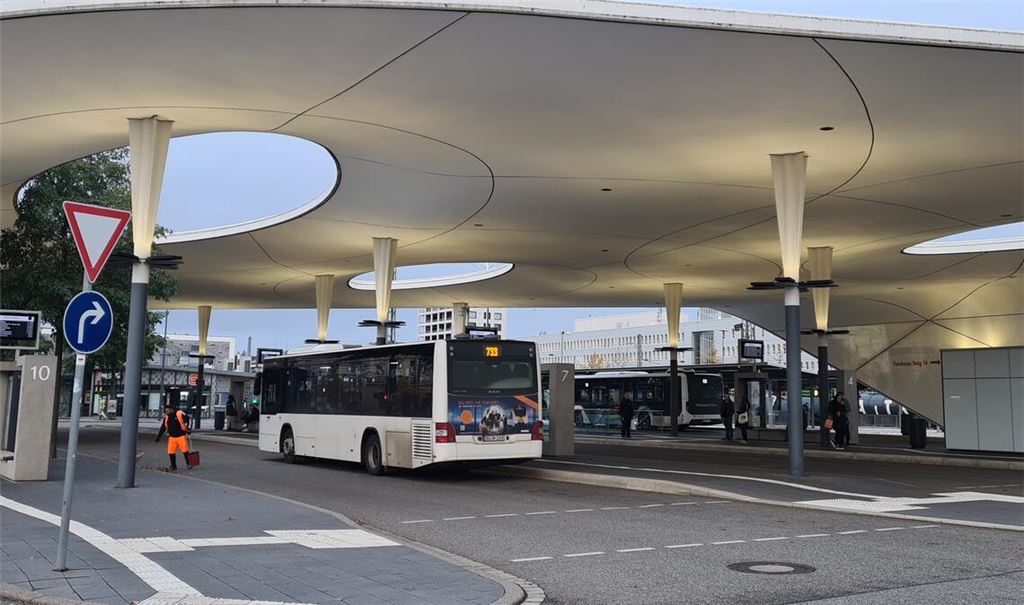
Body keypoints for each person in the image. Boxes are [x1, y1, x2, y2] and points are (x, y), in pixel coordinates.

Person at [155, 405, 193, 471]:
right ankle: (173, 465)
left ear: (171, 409)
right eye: (165, 411)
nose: (166, 412)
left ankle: (188, 463)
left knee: (185, 451)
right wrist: (158, 437)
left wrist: (189, 429)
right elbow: (163, 428)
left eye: (167, 411)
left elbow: (188, 419)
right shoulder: (166, 418)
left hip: (181, 436)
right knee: (171, 452)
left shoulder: (179, 414)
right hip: (172, 437)